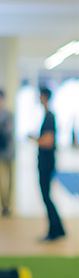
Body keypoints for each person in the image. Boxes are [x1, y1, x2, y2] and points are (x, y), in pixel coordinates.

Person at [29, 87, 65, 242]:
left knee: (46, 196)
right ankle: (57, 229)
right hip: (45, 161)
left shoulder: (50, 117)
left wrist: (34, 139)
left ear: (44, 97)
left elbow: (48, 142)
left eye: (40, 96)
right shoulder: (47, 116)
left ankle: (54, 230)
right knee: (46, 196)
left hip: (46, 162)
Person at [0, 89, 15, 217]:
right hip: (1, 154)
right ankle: (5, 205)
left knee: (10, 182)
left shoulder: (9, 114)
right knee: (2, 183)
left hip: (9, 152)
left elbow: (9, 132)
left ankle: (8, 205)